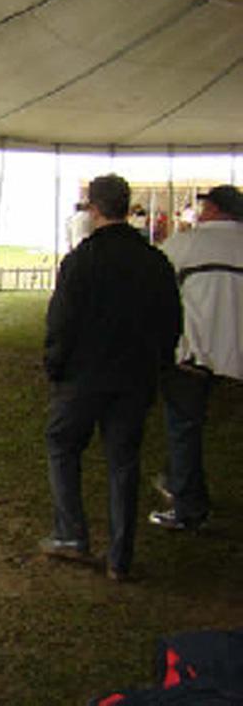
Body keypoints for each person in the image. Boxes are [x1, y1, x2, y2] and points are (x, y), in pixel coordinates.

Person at [40, 174, 181, 582]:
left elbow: (61, 321)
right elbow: (171, 320)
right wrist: (158, 363)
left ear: (94, 208)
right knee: (124, 462)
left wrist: (55, 364)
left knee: (62, 445)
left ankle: (71, 533)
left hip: (83, 376)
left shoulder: (82, 260)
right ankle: (121, 555)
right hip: (134, 377)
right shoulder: (154, 261)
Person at [148, 184, 243, 531]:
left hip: (195, 351)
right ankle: (178, 482)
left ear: (215, 210)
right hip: (238, 351)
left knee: (184, 428)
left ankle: (187, 505)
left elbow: (154, 281)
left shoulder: (186, 243)